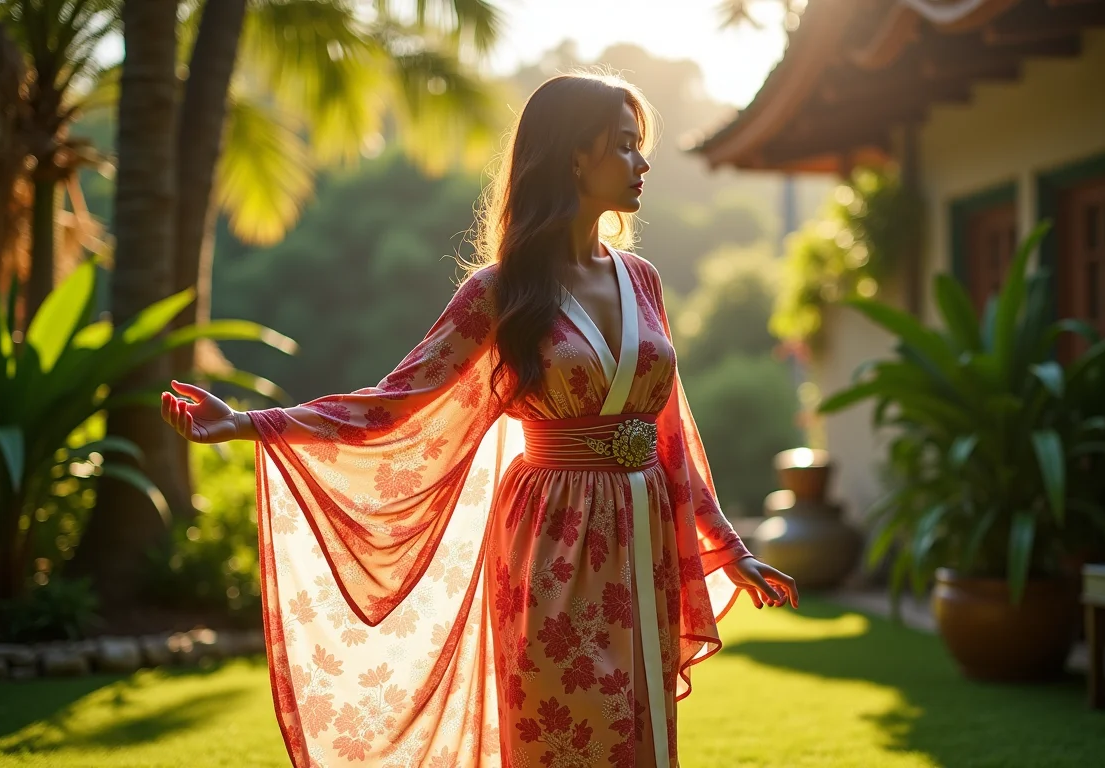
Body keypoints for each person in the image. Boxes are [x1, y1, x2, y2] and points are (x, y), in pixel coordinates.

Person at [161, 71, 798, 768]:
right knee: (567, 733)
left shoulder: (641, 279)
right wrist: (251, 424)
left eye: (638, 146)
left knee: (640, 741)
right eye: (622, 145)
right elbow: (396, 400)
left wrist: (728, 549)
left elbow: (668, 432)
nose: (641, 164)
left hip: (640, 533)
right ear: (572, 156)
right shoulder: (500, 292)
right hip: (553, 544)